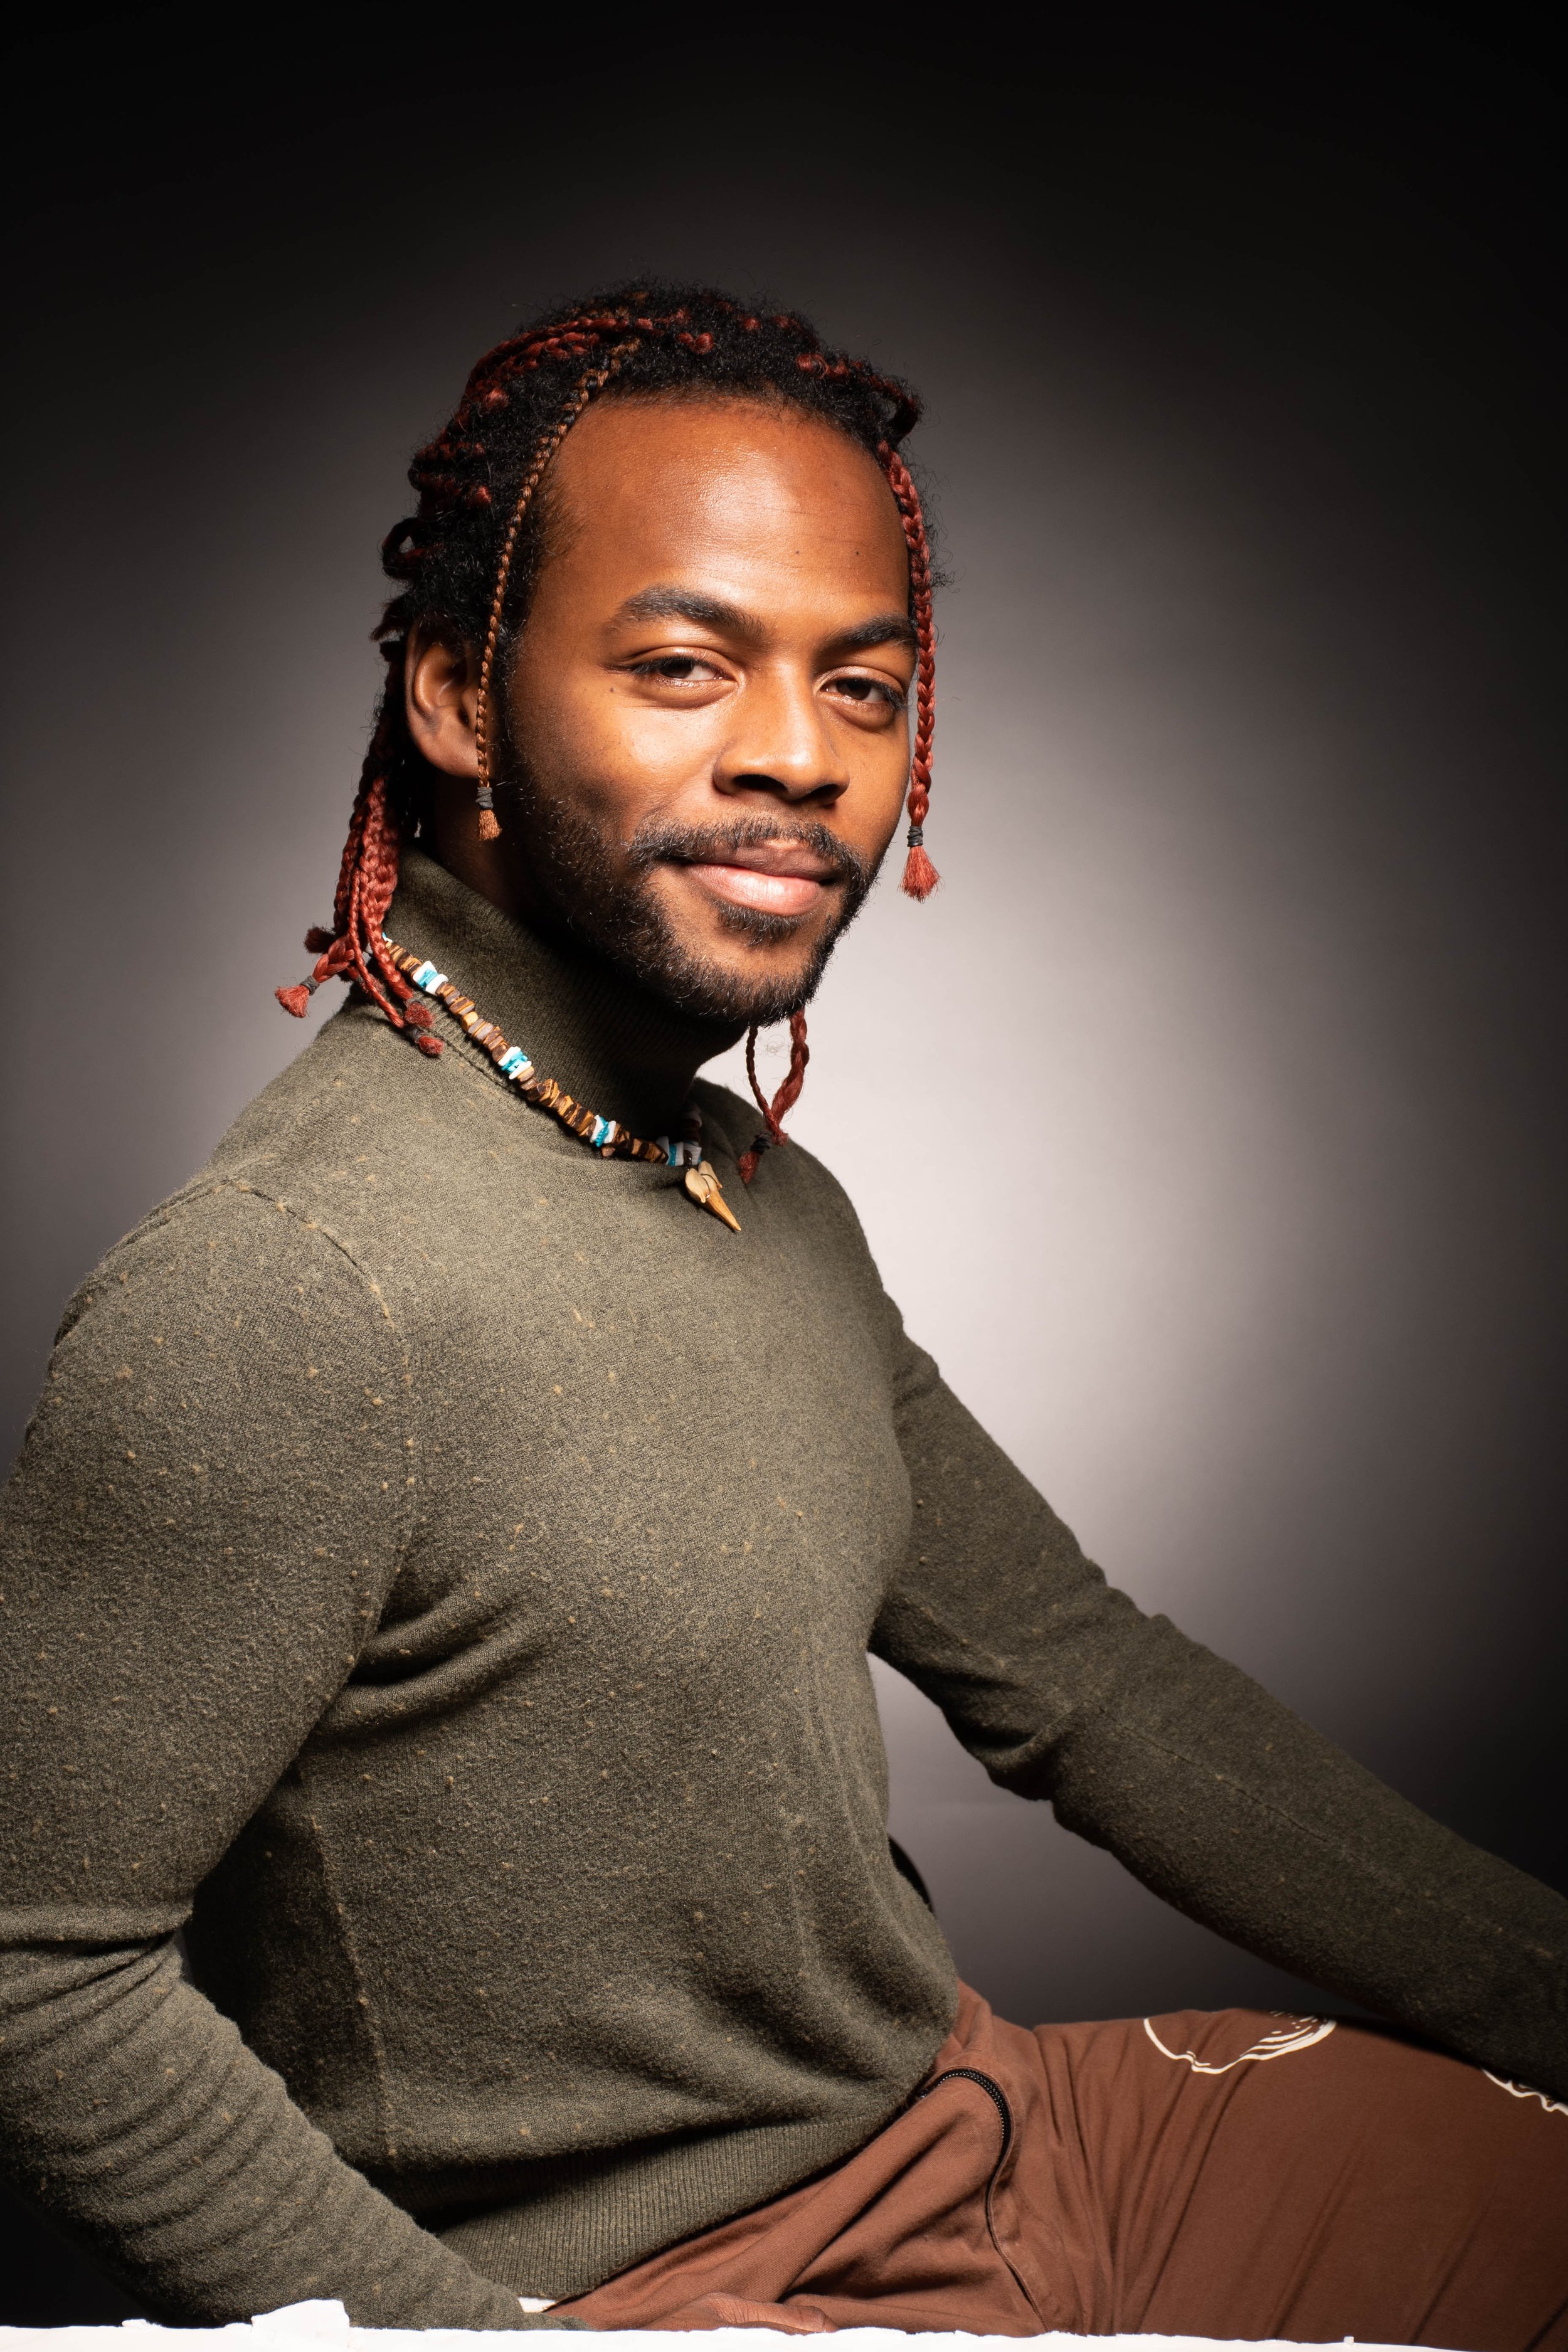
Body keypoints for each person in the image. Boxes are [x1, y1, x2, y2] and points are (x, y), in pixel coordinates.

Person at [2, 285, 1565, 2346]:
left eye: (866, 689)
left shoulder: (759, 1196)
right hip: (656, 2291)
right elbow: (38, 1967)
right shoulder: (289, 1290)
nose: (796, 759)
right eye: (680, 664)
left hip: (981, 2131)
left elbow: (1089, 1688)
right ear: (459, 701)